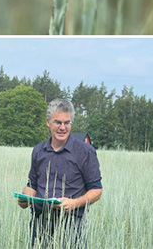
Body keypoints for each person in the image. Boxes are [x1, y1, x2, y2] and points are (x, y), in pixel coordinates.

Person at [17, 99, 102, 248]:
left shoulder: (85, 152)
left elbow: (97, 190)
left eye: (67, 123)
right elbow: (32, 184)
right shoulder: (38, 150)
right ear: (48, 122)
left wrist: (74, 203)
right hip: (40, 224)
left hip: (72, 226)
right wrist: (25, 197)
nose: (63, 127)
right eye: (58, 122)